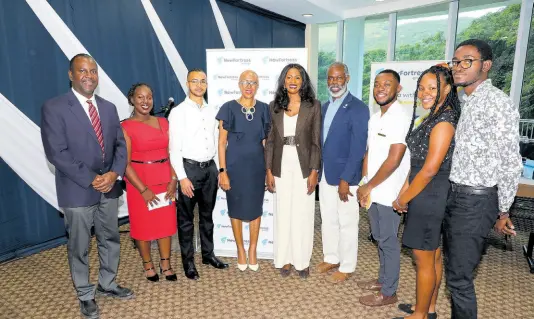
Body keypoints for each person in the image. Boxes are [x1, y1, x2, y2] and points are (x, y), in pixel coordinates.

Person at [40, 53, 133, 319]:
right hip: (77, 188)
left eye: (93, 71)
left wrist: (114, 173)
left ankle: (107, 283)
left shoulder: (108, 107)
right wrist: (92, 178)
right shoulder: (54, 107)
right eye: (83, 71)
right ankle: (85, 294)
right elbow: (57, 152)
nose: (89, 75)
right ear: (71, 75)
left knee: (110, 238)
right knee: (79, 245)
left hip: (109, 186)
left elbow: (119, 145)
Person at [444, 39, 521, 319]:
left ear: (485, 66)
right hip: (457, 195)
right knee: (455, 272)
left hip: (476, 200)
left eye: (467, 61)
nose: (458, 67)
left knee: (460, 278)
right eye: (455, 61)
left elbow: (511, 163)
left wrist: (503, 210)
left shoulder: (497, 103)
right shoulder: (468, 101)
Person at [392, 65, 461, 319]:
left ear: (447, 88)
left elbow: (430, 169)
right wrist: (404, 190)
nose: (425, 93)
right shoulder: (433, 115)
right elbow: (418, 163)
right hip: (424, 190)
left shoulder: (444, 121)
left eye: (433, 87)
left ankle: (419, 315)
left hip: (430, 194)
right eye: (422, 87)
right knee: (432, 256)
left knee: (424, 259)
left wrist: (403, 198)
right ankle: (429, 308)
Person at [357, 69, 411, 307]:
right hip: (373, 190)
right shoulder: (375, 117)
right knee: (379, 237)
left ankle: (389, 292)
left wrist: (368, 185)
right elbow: (369, 152)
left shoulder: (401, 116)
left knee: (388, 241)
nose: (380, 88)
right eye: (377, 84)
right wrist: (364, 184)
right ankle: (383, 279)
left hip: (390, 193)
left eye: (387, 84)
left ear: (398, 89)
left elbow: (395, 158)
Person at [168, 68, 228, 281]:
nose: (199, 85)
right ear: (187, 83)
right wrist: (182, 177)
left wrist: (221, 169)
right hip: (189, 170)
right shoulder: (178, 112)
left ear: (207, 84)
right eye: (195, 81)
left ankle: (208, 255)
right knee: (185, 220)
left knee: (207, 216)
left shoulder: (213, 110)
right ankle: (188, 263)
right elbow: (173, 149)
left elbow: (219, 142)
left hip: (210, 169)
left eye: (203, 81)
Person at [265, 64, 321, 279]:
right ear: (283, 81)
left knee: (303, 213)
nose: (293, 80)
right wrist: (268, 170)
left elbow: (316, 141)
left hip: (303, 165)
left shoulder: (313, 106)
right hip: (280, 164)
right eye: (289, 77)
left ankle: (302, 260)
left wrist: (314, 170)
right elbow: (270, 141)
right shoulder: (274, 106)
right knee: (283, 213)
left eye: (297, 77)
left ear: (303, 81)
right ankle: (285, 259)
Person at [316, 62, 369, 283]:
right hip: (325, 174)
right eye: (330, 78)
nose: (334, 82)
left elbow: (358, 148)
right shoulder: (324, 107)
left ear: (347, 78)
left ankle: (347, 266)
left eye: (338, 78)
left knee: (347, 222)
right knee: (328, 219)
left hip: (346, 178)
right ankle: (331, 257)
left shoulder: (358, 108)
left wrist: (346, 179)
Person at [121, 83, 178, 282]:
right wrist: (143, 190)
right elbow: (124, 164)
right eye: (140, 97)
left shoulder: (164, 122)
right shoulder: (125, 127)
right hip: (139, 183)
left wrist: (173, 179)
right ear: (132, 100)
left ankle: (165, 263)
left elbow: (172, 154)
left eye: (149, 97)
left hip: (165, 180)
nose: (146, 101)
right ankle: (148, 265)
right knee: (142, 227)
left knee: (166, 224)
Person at [217, 70, 270, 272]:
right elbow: (222, 143)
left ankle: (253, 249)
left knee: (256, 208)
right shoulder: (228, 108)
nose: (249, 86)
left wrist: (268, 170)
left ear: (258, 86)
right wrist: (222, 171)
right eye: (245, 82)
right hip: (234, 168)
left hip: (257, 168)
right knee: (236, 208)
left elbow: (267, 143)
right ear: (239, 84)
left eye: (253, 83)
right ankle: (240, 249)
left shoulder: (264, 109)